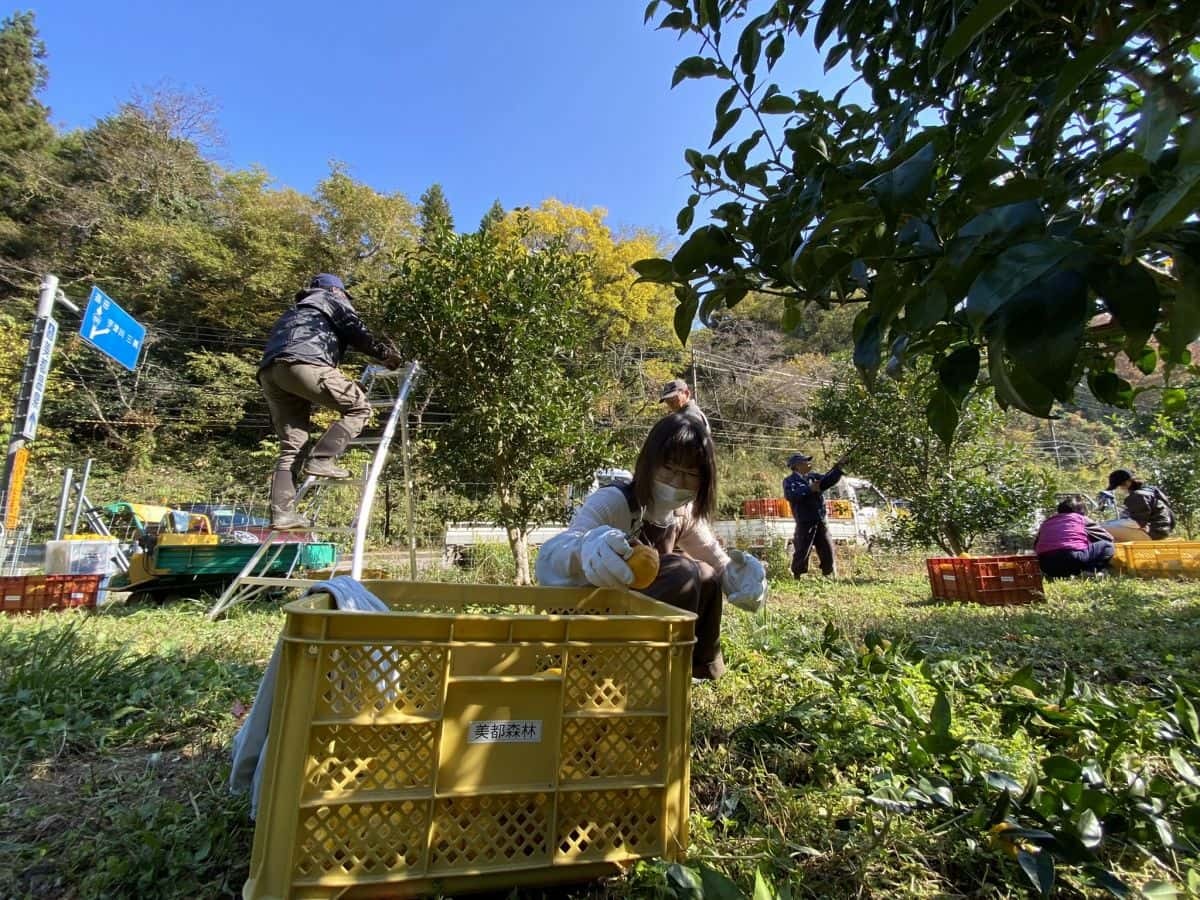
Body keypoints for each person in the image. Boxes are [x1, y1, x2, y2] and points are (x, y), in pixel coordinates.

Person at [535, 412, 766, 681]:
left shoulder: (682, 514)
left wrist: (740, 578)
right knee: (681, 570)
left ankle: (686, 671)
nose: (677, 482)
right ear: (649, 463)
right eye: (669, 468)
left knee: (705, 575)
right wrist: (586, 548)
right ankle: (616, 668)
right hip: (586, 623)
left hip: (632, 625)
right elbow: (556, 553)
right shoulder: (614, 502)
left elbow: (717, 562)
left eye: (690, 473)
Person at [258, 274, 402, 529]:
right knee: (359, 407)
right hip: (305, 363)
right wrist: (385, 355)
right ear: (337, 291)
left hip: (271, 373)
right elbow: (357, 332)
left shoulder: (294, 312)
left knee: (292, 446)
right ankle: (323, 459)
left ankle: (282, 514)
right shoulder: (330, 299)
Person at [783, 451, 849, 578]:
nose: (809, 463)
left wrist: (838, 468)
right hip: (804, 521)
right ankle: (798, 576)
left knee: (827, 549)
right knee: (802, 550)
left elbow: (828, 480)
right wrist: (809, 489)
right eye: (805, 461)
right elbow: (791, 496)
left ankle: (828, 574)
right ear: (797, 465)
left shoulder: (813, 477)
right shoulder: (789, 481)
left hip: (820, 519)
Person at [1035, 498, 1115, 579]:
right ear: (1081, 511)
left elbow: (1036, 545)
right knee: (1107, 546)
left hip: (1046, 565)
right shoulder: (1080, 518)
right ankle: (1091, 571)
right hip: (1072, 560)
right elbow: (1108, 538)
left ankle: (1058, 575)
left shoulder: (1047, 522)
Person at [1104, 469, 1175, 540]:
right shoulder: (1150, 490)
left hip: (1152, 534)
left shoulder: (1138, 495)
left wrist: (1109, 523)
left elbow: (1137, 523)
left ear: (1128, 482)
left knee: (1100, 528)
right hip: (1161, 532)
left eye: (1119, 486)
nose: (1121, 489)